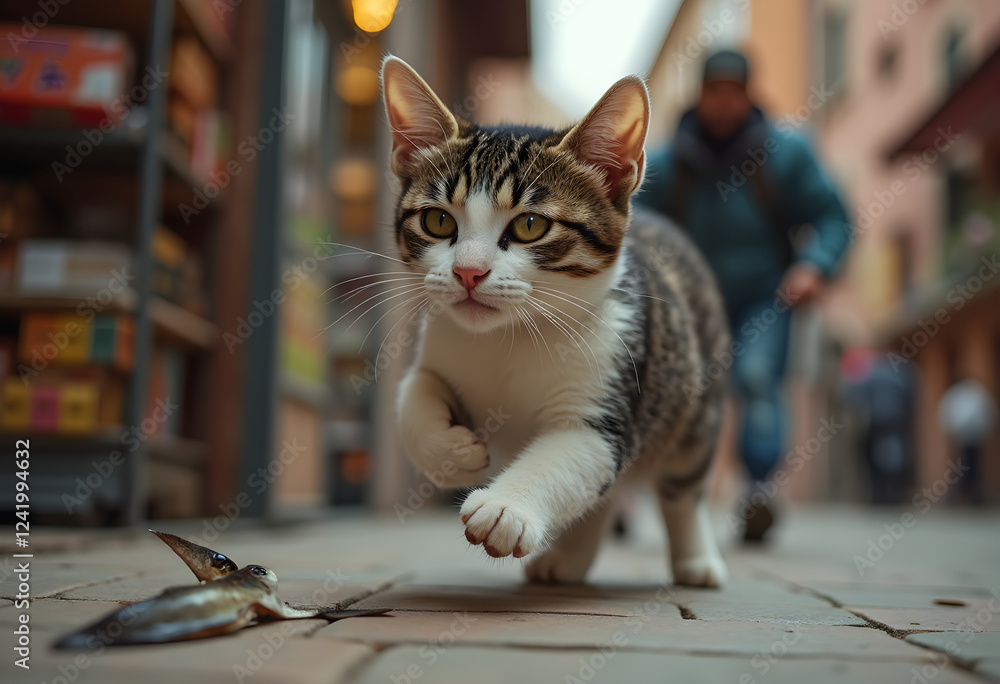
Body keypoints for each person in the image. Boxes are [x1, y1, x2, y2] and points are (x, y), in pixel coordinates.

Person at [637, 49, 851, 541]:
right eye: (716, 90)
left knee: (756, 380)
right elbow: (632, 226)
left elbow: (833, 218)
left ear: (749, 93)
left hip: (766, 296)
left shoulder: (788, 155)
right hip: (691, 303)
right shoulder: (669, 164)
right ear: (701, 93)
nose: (725, 101)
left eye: (735, 90)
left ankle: (757, 491)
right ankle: (628, 490)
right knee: (671, 390)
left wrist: (814, 266)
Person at [939, 377, 998, 505]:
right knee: (965, 467)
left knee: (969, 467)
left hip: (971, 438)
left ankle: (972, 496)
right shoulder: (975, 394)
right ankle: (968, 496)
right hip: (965, 438)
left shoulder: (975, 394)